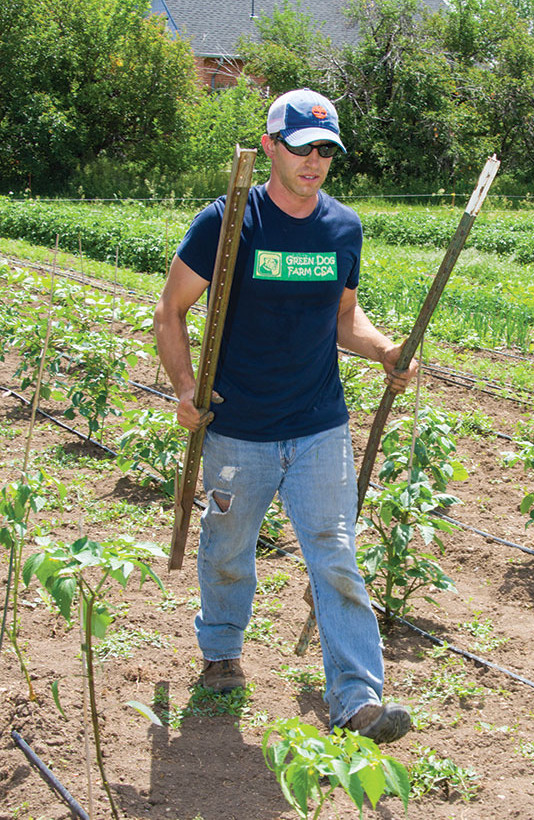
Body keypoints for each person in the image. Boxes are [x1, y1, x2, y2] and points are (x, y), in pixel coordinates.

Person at [153, 88, 416, 744]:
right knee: (228, 551)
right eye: (302, 147)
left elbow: (343, 316)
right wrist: (186, 387)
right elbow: (170, 312)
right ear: (270, 146)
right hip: (237, 428)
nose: (314, 161)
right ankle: (220, 650)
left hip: (319, 421)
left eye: (326, 150)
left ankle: (357, 699)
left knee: (334, 554)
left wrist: (385, 348)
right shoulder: (227, 222)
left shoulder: (342, 227)